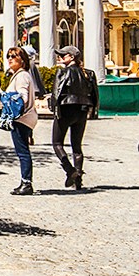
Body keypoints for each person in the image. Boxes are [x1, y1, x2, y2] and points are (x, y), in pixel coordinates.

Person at [50, 46, 99, 190]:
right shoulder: (88, 74)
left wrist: (54, 108)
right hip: (82, 111)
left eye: (63, 55)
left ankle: (70, 170)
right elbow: (94, 95)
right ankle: (78, 180)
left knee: (57, 143)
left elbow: (56, 93)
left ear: (71, 57)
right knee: (77, 146)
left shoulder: (62, 72)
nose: (60, 58)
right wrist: (94, 110)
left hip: (65, 109)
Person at [2, 46, 41, 195]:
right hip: (26, 118)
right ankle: (25, 182)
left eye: (14, 56)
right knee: (23, 151)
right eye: (8, 56)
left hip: (21, 118)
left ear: (22, 60)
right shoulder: (20, 75)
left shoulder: (22, 76)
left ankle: (26, 183)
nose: (10, 59)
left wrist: (5, 98)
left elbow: (22, 96)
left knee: (23, 152)